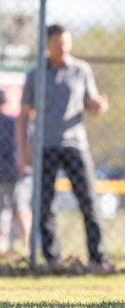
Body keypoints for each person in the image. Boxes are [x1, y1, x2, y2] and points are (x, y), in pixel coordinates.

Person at [16, 24, 110, 273]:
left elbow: (91, 105)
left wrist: (99, 106)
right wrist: (23, 152)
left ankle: (98, 259)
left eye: (67, 44)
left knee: (89, 201)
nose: (64, 49)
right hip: (44, 146)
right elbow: (24, 116)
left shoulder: (81, 70)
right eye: (59, 45)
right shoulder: (34, 75)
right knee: (44, 204)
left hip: (75, 145)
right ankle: (52, 259)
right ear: (47, 45)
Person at [0, 89, 20, 255]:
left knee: (5, 209)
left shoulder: (11, 123)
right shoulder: (12, 122)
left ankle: (4, 245)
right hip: (11, 171)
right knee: (13, 209)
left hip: (7, 172)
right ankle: (17, 244)